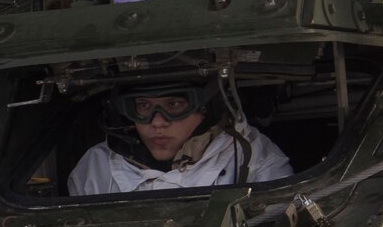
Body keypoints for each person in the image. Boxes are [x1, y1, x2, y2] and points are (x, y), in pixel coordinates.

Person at [68, 82, 292, 194]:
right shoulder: (96, 168)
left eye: (173, 105)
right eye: (144, 106)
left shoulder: (250, 156)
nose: (157, 122)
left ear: (205, 109)